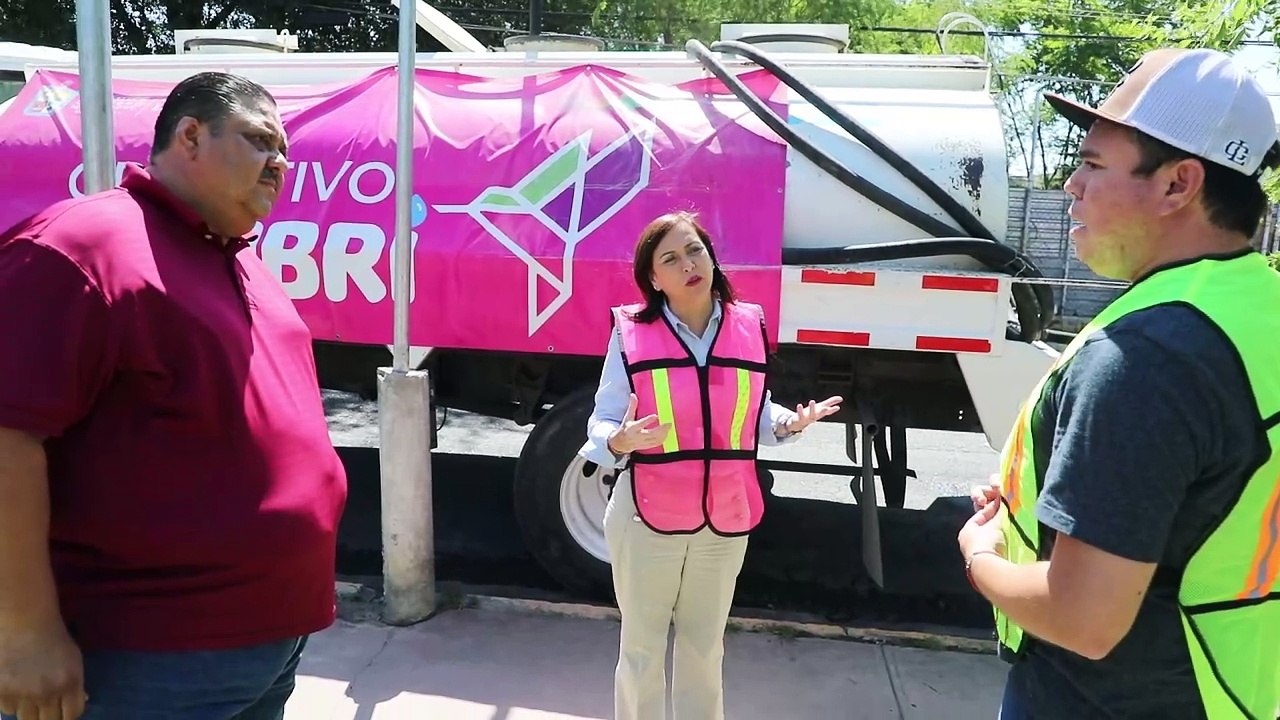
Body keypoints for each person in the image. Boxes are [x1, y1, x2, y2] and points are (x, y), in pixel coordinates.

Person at [0, 72, 348, 720]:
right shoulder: (84, 248)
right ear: (189, 135)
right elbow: (6, 437)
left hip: (264, 647)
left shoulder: (235, 256)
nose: (279, 164)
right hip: (145, 659)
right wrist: (22, 634)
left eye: (286, 152)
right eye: (258, 141)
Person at [956, 48, 1280, 720]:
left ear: (1177, 184)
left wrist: (980, 555)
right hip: (1229, 689)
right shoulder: (1254, 308)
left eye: (1093, 164)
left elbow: (1082, 620)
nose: (1071, 185)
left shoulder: (1148, 353)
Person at [580, 211, 841, 720]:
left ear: (711, 256)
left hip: (724, 517)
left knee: (705, 649)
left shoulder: (748, 325)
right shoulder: (631, 333)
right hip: (645, 516)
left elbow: (753, 411)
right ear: (654, 278)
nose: (688, 265)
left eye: (694, 250)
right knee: (642, 651)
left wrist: (790, 423)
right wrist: (619, 440)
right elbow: (603, 419)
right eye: (671, 259)